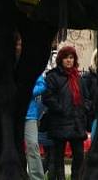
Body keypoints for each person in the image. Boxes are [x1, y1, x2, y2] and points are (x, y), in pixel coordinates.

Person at [43, 45, 87, 180]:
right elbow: (47, 97)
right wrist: (60, 108)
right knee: (58, 157)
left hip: (76, 122)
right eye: (66, 58)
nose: (69, 60)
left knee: (79, 155)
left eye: (71, 57)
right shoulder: (53, 76)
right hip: (60, 121)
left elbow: (87, 97)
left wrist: (85, 108)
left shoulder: (78, 77)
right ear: (60, 59)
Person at [25, 74, 47, 180]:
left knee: (33, 145)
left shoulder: (31, 66)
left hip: (29, 115)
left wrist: (26, 91)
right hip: (11, 115)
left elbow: (42, 85)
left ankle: (37, 177)